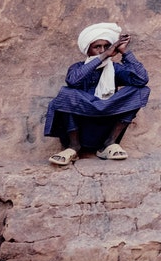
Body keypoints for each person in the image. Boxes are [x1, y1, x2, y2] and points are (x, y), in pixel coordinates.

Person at [45, 22, 150, 165]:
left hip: (106, 122)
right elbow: (73, 81)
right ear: (88, 50)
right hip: (81, 126)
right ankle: (73, 148)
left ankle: (108, 144)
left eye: (107, 46)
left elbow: (141, 79)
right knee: (66, 93)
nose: (102, 50)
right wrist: (105, 55)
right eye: (97, 47)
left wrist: (124, 52)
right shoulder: (77, 68)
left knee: (140, 91)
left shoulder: (114, 69)